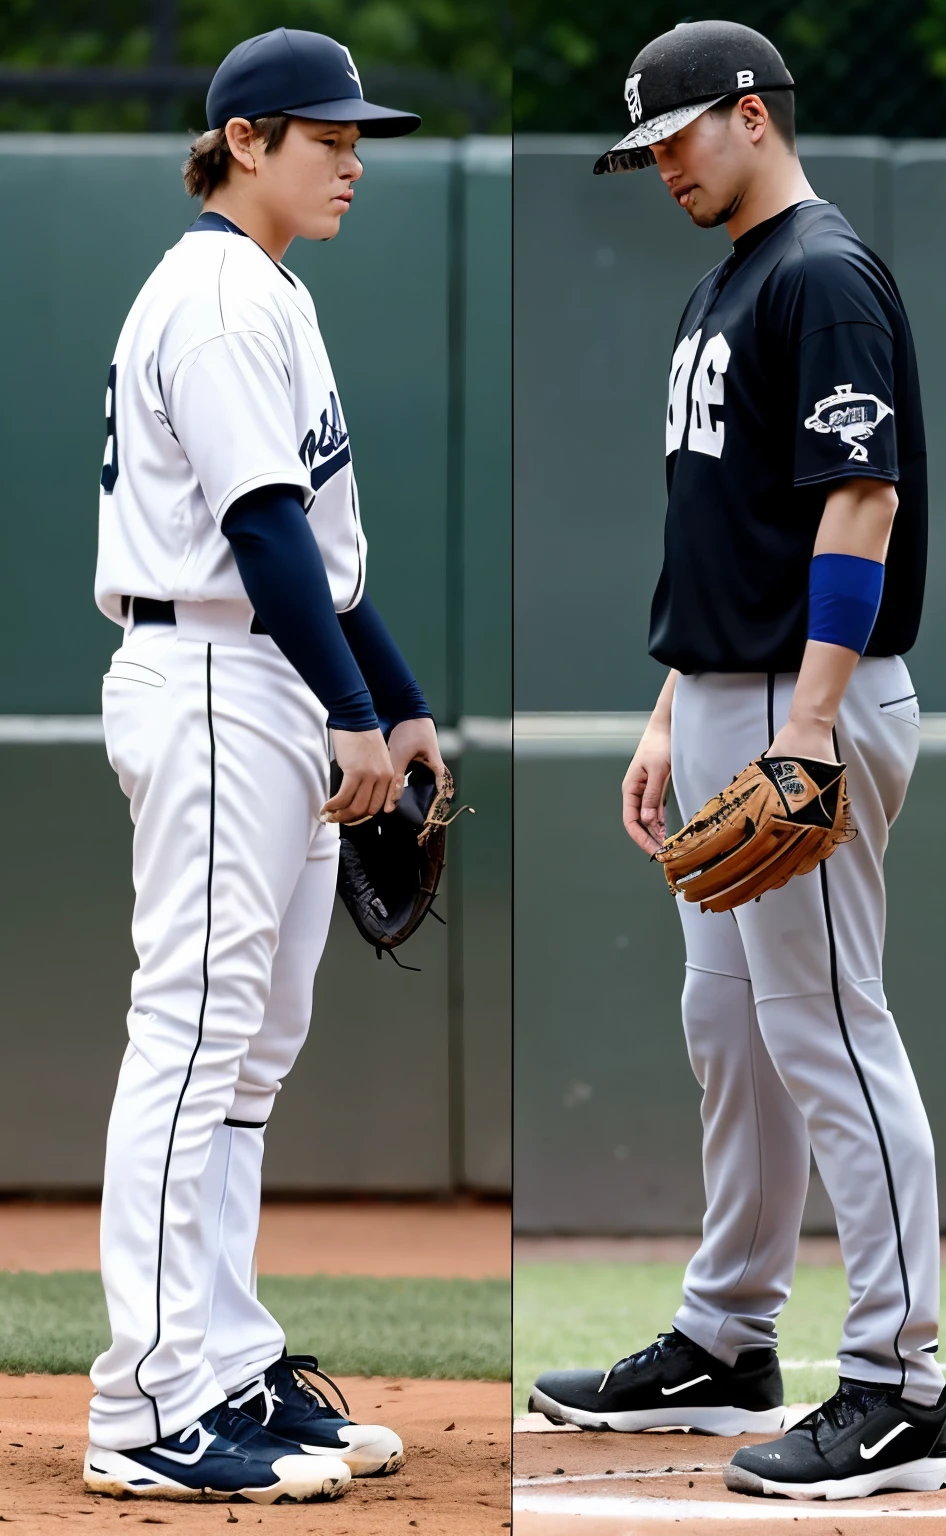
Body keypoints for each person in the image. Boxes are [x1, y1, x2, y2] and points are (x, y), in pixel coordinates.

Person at [530, 20, 946, 1503]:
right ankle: (729, 1337)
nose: (656, 165)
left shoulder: (823, 274)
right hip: (730, 688)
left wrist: (802, 728)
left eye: (671, 137)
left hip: (807, 699)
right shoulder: (730, 281)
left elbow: (863, 501)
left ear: (749, 115)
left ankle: (903, 1389)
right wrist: (675, 711)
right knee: (736, 1032)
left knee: (831, 1032)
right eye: (644, 149)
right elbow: (724, 528)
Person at [85, 29, 445, 1505]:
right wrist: (348, 709)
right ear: (246, 137)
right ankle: (149, 1400)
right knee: (194, 1031)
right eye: (327, 136)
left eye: (359, 138)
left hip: (274, 676)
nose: (353, 160)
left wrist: (399, 705)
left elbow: (320, 545)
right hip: (227, 676)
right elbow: (262, 536)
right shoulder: (223, 294)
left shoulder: (267, 291)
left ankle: (224, 1359)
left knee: (251, 1050)